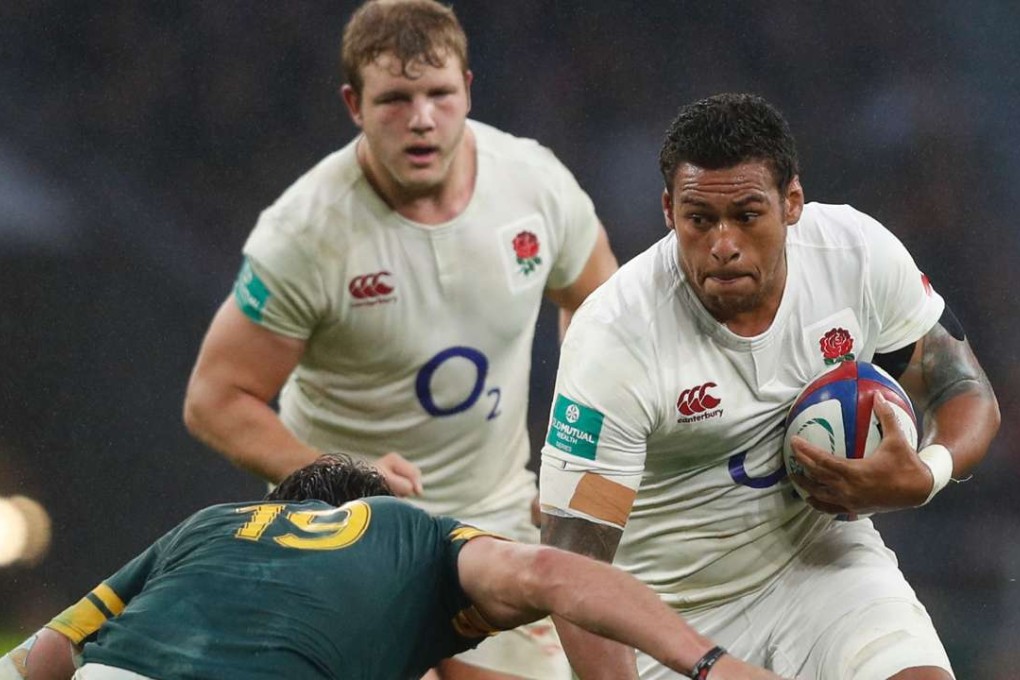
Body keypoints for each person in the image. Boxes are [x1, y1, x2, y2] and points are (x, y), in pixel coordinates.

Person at [182, 1, 618, 677]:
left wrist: (572, 457)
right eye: (395, 99)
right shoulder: (305, 232)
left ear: (468, 87)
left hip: (493, 517)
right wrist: (341, 476)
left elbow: (601, 313)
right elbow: (215, 398)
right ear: (353, 104)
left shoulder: (534, 183)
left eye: (440, 94)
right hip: (345, 530)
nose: (421, 118)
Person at [538, 93, 1000, 679]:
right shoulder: (617, 335)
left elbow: (962, 388)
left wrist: (925, 472)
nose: (723, 244)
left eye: (748, 215)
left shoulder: (853, 254)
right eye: (699, 219)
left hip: (825, 568)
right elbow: (572, 562)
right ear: (667, 210)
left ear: (792, 203)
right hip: (672, 614)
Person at [0, 454, 787, 680]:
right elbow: (554, 574)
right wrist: (708, 663)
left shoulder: (213, 524)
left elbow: (49, 654)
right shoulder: (411, 533)